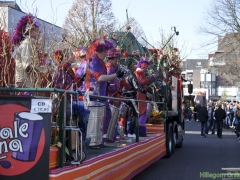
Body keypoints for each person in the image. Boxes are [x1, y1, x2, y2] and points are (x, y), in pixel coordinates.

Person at [85, 37, 125, 141]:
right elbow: (100, 78)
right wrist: (116, 75)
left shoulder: (100, 61)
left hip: (101, 95)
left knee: (107, 116)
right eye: (106, 50)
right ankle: (95, 140)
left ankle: (101, 138)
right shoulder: (94, 60)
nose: (107, 53)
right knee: (97, 120)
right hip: (95, 96)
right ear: (101, 50)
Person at [13, 14, 44, 88]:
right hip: (25, 84)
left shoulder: (31, 45)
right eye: (37, 30)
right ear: (31, 31)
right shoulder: (27, 44)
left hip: (29, 83)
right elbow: (27, 66)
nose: (39, 32)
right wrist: (42, 71)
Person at [134, 59, 158, 136]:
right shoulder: (139, 73)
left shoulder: (139, 72)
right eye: (146, 67)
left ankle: (139, 131)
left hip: (141, 94)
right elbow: (143, 81)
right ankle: (140, 131)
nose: (147, 69)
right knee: (142, 113)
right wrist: (152, 77)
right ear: (143, 67)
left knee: (142, 112)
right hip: (140, 95)